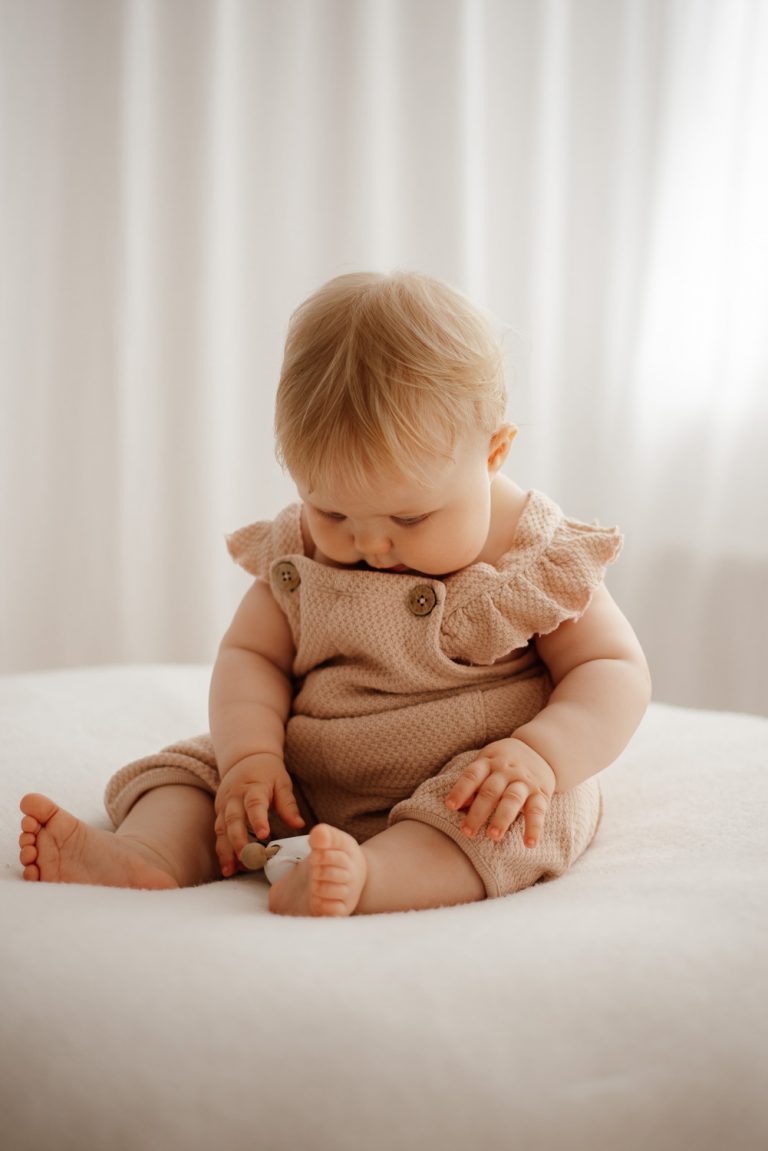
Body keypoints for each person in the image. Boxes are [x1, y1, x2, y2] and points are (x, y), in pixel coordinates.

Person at [19, 271, 651, 916]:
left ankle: (371, 877)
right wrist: (251, 755)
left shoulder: (535, 557)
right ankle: (148, 854)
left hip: (472, 777)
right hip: (306, 775)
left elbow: (612, 669)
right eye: (333, 512)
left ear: (494, 453)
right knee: (195, 773)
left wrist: (541, 755)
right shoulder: (299, 552)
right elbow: (252, 656)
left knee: (519, 819)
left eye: (409, 518)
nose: (369, 543)